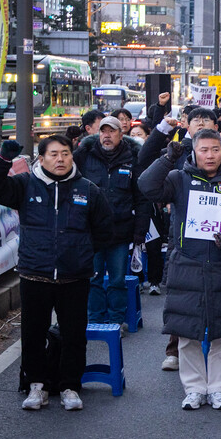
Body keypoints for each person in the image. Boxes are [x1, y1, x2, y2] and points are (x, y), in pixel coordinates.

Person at [0, 136, 112, 411]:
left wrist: (82, 252)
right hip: (34, 275)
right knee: (33, 333)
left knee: (74, 335)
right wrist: (3, 159)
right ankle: (36, 386)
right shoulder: (25, 185)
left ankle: (70, 387)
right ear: (41, 159)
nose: (60, 159)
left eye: (65, 153)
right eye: (53, 154)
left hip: (74, 277)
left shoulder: (87, 189)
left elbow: (104, 229)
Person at [138, 128, 221, 410]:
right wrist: (167, 159)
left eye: (215, 149)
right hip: (186, 265)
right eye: (204, 150)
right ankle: (194, 388)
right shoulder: (179, 179)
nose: (210, 155)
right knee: (188, 332)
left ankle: (218, 389)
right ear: (194, 152)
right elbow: (147, 186)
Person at [73, 116, 150, 329]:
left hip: (120, 231)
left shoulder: (133, 158)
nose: (107, 136)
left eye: (112, 131)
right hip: (91, 233)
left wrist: (140, 232)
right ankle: (95, 319)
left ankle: (118, 320)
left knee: (117, 280)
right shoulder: (85, 157)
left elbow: (141, 198)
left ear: (121, 134)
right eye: (103, 131)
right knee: (93, 279)